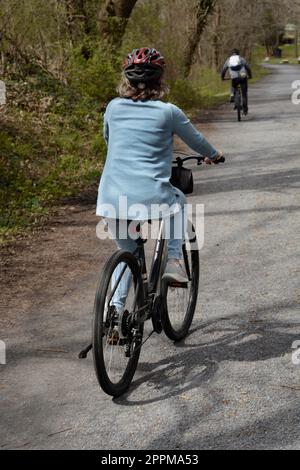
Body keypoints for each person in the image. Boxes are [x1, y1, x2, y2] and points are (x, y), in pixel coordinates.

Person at [96, 47, 222, 314]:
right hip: (151, 195)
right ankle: (174, 261)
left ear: (126, 80)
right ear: (160, 80)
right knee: (177, 200)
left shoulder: (113, 107)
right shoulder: (168, 112)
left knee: (126, 251)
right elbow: (196, 141)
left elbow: (109, 141)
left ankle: (114, 310)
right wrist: (213, 155)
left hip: (111, 196)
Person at [221, 48, 252, 115]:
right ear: (238, 53)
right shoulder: (241, 59)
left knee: (233, 85)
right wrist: (250, 76)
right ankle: (245, 110)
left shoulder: (229, 60)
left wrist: (222, 77)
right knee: (244, 93)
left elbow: (224, 69)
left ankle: (232, 95)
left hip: (234, 76)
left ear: (232, 54)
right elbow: (248, 68)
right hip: (243, 75)